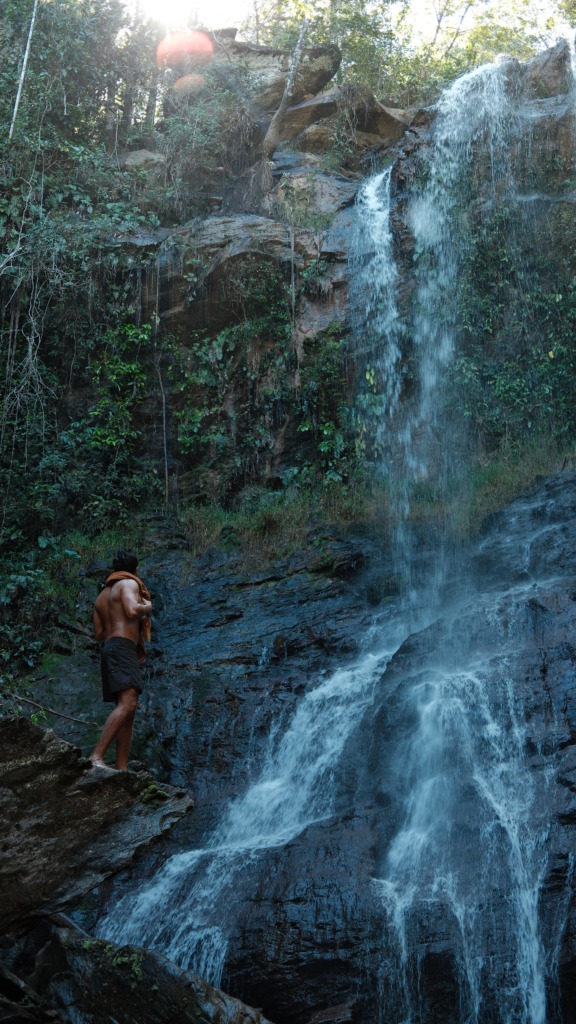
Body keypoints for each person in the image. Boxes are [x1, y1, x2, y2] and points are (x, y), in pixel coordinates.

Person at [89, 550, 152, 771]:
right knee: (129, 702)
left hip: (109, 648)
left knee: (127, 709)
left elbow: (98, 634)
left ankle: (121, 768)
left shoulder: (101, 596)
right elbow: (133, 610)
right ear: (134, 570)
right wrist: (147, 607)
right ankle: (96, 756)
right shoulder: (128, 584)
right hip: (123, 647)